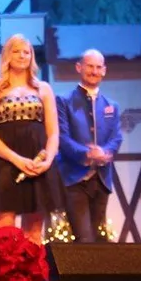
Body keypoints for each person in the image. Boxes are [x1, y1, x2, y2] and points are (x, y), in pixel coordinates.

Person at [0, 34, 65, 245]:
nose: (22, 56)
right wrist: (16, 159)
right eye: (16, 51)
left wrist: (47, 161)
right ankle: (4, 277)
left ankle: (32, 277)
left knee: (34, 232)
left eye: (27, 51)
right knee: (3, 229)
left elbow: (54, 133)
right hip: (2, 162)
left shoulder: (44, 89)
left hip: (37, 164)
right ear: (7, 55)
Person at [54, 49, 123, 244]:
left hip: (101, 179)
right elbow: (62, 137)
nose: (94, 71)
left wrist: (104, 152)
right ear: (79, 67)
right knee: (84, 239)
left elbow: (117, 137)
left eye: (98, 67)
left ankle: (96, 275)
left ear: (104, 70)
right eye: (89, 66)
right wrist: (87, 154)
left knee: (98, 239)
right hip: (74, 179)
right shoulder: (63, 101)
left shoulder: (112, 105)